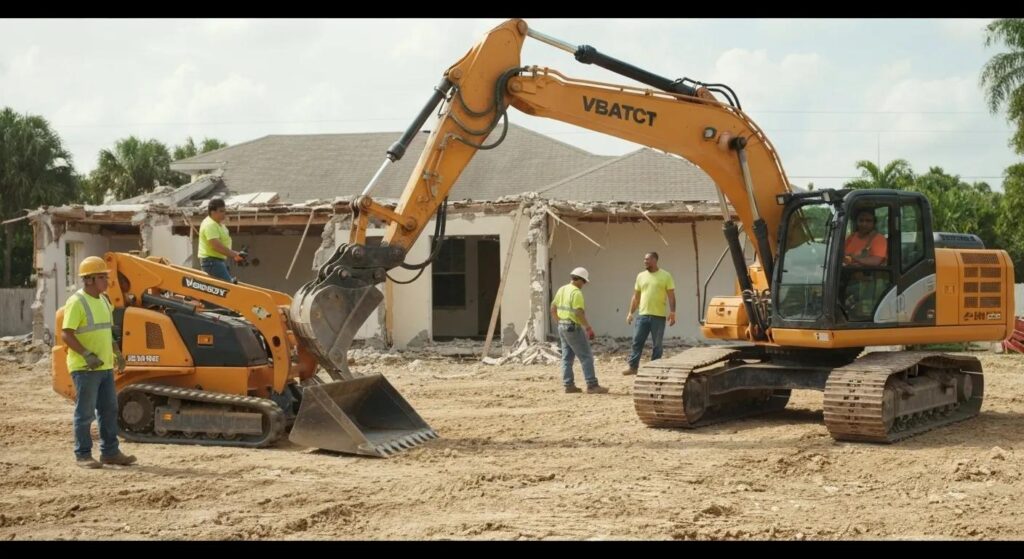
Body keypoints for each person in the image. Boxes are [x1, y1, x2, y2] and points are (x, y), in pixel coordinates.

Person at [62, 256, 137, 469]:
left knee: (109, 410)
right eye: (103, 277)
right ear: (90, 280)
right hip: (85, 368)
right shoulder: (77, 302)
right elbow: (66, 334)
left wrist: (118, 354)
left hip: (104, 367)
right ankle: (83, 455)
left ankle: (110, 453)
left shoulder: (104, 300)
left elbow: (108, 331)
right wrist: (86, 354)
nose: (107, 281)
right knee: (85, 413)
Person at [550, 267, 609, 394]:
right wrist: (588, 328)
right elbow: (578, 313)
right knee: (586, 357)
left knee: (567, 358)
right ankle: (592, 385)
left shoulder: (562, 289)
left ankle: (568, 385)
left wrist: (560, 322)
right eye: (584, 282)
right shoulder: (576, 293)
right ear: (580, 280)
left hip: (562, 327)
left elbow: (553, 308)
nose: (584, 285)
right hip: (572, 328)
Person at [623, 252, 676, 376]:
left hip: (658, 317)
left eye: (647, 259)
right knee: (637, 341)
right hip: (643, 316)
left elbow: (671, 296)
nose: (645, 261)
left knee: (657, 344)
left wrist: (673, 312)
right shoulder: (640, 276)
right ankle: (633, 367)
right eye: (644, 259)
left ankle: (655, 368)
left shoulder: (666, 276)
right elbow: (636, 296)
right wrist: (630, 312)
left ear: (655, 260)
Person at [198, 198, 245, 283]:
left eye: (224, 210)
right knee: (229, 289)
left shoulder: (218, 224)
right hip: (212, 262)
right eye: (221, 211)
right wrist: (234, 254)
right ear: (213, 212)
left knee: (230, 287)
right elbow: (216, 246)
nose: (224, 213)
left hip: (216, 262)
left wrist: (237, 254)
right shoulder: (210, 225)